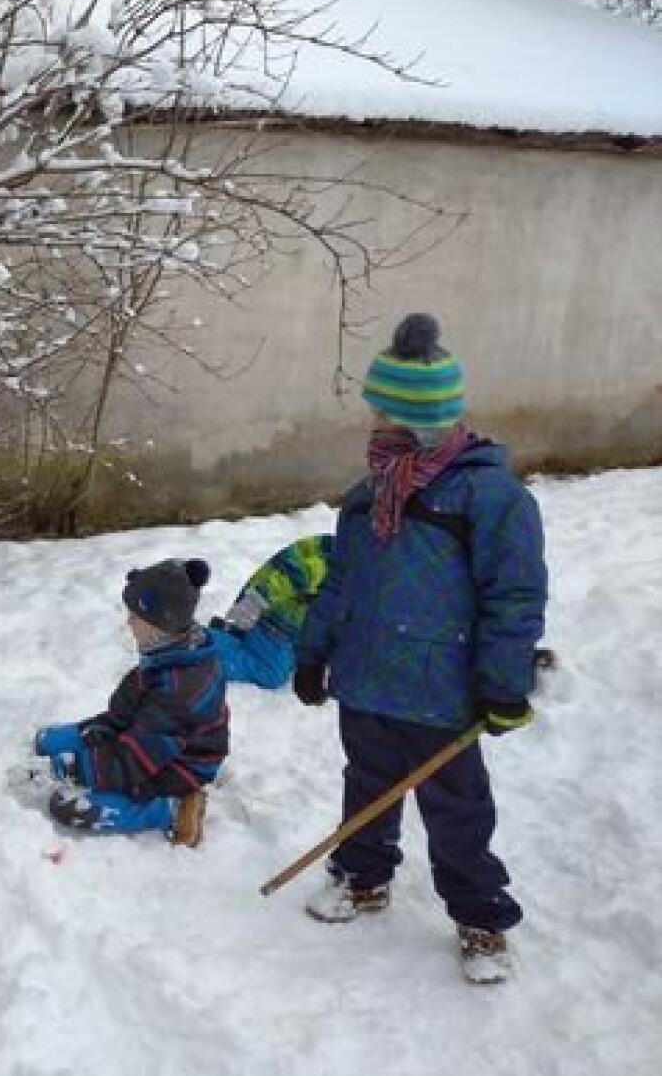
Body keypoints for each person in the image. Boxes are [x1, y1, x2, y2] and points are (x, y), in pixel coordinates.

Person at [293, 313, 547, 984]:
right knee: (366, 784)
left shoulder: (491, 498)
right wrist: (314, 652)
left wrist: (503, 684)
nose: (371, 423)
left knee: (457, 809)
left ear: (416, 422)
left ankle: (481, 919)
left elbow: (514, 598)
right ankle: (362, 877)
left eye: (381, 412)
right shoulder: (369, 496)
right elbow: (341, 580)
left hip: (441, 690)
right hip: (366, 678)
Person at [27, 558, 228, 843]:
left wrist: (75, 769)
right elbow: (130, 712)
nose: (128, 622)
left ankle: (172, 809)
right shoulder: (169, 651)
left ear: (158, 624)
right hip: (147, 738)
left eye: (135, 617)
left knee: (67, 805)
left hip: (176, 765)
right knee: (46, 741)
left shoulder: (180, 691)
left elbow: (136, 757)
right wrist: (97, 733)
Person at [207, 534, 333, 689]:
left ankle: (226, 638)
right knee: (271, 672)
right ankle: (195, 646)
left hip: (296, 622)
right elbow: (295, 575)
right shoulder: (341, 564)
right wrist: (255, 602)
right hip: (272, 613)